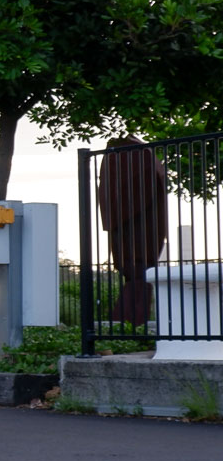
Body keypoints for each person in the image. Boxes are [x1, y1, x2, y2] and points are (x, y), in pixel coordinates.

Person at [96, 137, 167, 328]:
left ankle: (128, 327)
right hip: (135, 244)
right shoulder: (143, 163)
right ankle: (128, 327)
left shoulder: (140, 165)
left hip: (138, 245)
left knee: (138, 272)